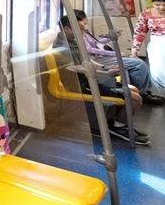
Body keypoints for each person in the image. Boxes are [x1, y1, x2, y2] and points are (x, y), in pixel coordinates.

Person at [55, 15, 148, 144]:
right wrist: (104, 73)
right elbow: (76, 69)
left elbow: (86, 62)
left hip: (89, 80)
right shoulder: (61, 47)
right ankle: (118, 127)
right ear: (67, 28)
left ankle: (119, 122)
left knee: (134, 90)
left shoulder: (73, 41)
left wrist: (105, 69)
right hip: (81, 85)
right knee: (135, 99)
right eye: (80, 29)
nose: (83, 32)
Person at [72, 9, 164, 105]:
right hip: (97, 59)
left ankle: (139, 92)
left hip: (101, 57)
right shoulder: (78, 34)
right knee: (139, 64)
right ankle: (141, 93)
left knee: (134, 63)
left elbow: (96, 43)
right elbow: (90, 49)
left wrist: (109, 37)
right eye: (83, 22)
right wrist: (115, 53)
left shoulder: (84, 32)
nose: (85, 24)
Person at [132, 0, 165, 89]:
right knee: (158, 72)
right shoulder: (146, 14)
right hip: (157, 46)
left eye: (164, 5)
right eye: (157, 4)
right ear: (152, 3)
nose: (161, 7)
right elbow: (139, 32)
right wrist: (135, 48)